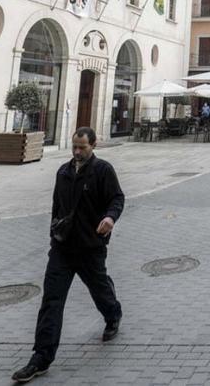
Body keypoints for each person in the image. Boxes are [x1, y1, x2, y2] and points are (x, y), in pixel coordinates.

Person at [12, 127, 125, 383]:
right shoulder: (63, 171)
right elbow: (57, 206)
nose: (76, 151)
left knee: (99, 289)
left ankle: (113, 314)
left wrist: (110, 217)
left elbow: (117, 198)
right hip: (62, 248)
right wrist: (54, 232)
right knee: (52, 301)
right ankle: (41, 357)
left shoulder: (103, 171)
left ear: (93, 145)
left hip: (90, 247)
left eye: (82, 147)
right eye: (74, 146)